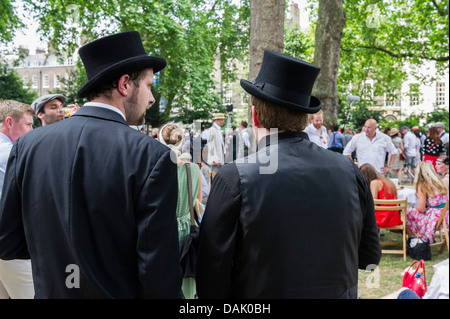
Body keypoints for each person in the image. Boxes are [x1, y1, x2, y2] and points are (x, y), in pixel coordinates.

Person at [0, 31, 182, 298]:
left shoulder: (28, 145)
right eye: (149, 85)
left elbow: (8, 242)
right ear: (124, 84)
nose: (152, 98)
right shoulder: (151, 156)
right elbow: (158, 272)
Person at [196, 50, 381, 299]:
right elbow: (369, 255)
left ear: (255, 116)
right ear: (305, 117)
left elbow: (212, 274)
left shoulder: (235, 177)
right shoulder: (350, 172)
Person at [158, 123, 202, 299]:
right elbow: (197, 204)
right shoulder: (193, 169)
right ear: (181, 141)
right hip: (187, 235)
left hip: (163, 231)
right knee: (187, 281)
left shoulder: (156, 168)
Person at [0, 100, 35, 299]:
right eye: (28, 125)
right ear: (9, 122)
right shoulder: (11, 154)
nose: (32, 130)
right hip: (14, 249)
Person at [406, 161, 449, 243]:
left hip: (434, 217)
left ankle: (416, 239)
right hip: (445, 215)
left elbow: (421, 209)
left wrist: (414, 207)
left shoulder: (423, 185)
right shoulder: (440, 182)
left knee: (408, 212)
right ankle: (417, 238)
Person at [360, 163, 402, 229]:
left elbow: (374, 204)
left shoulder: (374, 183)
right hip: (393, 218)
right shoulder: (388, 181)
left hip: (382, 219)